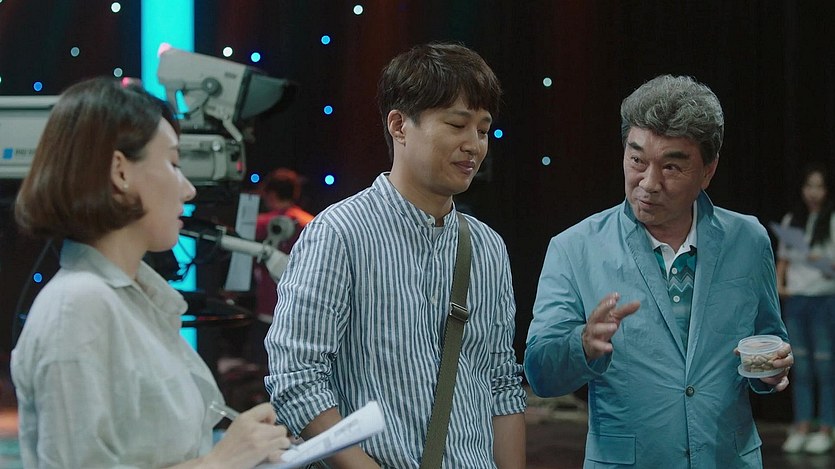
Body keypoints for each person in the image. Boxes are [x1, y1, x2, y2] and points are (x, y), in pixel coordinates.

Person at [264, 42, 527, 468]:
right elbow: (297, 377)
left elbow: (501, 384)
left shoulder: (487, 246)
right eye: (457, 125)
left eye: (482, 130)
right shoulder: (340, 233)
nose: (474, 145)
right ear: (399, 125)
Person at [11, 77, 290, 468]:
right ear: (120, 172)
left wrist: (245, 447)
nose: (188, 190)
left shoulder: (135, 302)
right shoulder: (77, 307)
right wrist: (220, 461)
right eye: (174, 164)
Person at [524, 74, 793, 468]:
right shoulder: (575, 247)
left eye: (671, 167)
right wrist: (582, 345)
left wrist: (770, 371)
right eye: (637, 160)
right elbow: (540, 373)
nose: (648, 184)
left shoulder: (749, 240)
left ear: (708, 171)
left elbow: (769, 338)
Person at [776, 163, 835, 454]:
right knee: (800, 367)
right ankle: (801, 426)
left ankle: (826, 428)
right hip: (797, 301)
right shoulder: (792, 220)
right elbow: (783, 261)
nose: (813, 192)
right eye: (809, 186)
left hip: (824, 299)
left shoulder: (831, 220)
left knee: (825, 367)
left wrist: (815, 259)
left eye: (819, 186)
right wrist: (779, 285)